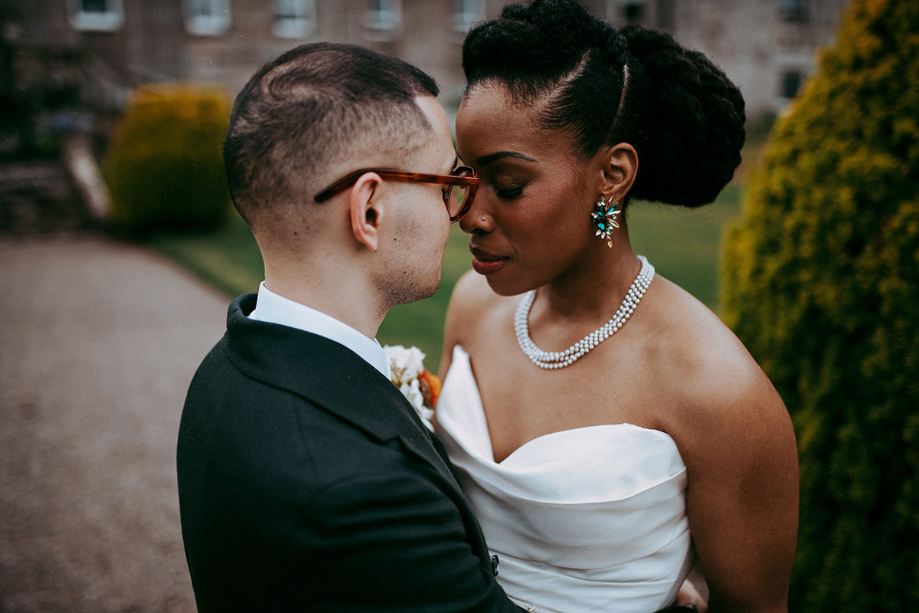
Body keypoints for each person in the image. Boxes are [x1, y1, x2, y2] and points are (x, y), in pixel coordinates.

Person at [436, 1, 800, 612]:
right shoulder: (473, 306)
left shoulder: (718, 390)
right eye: (465, 179)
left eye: (508, 185)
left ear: (612, 174)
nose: (469, 216)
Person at [176, 42, 526, 612]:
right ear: (370, 211)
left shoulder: (224, 369)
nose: (460, 215)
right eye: (447, 185)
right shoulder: (362, 493)